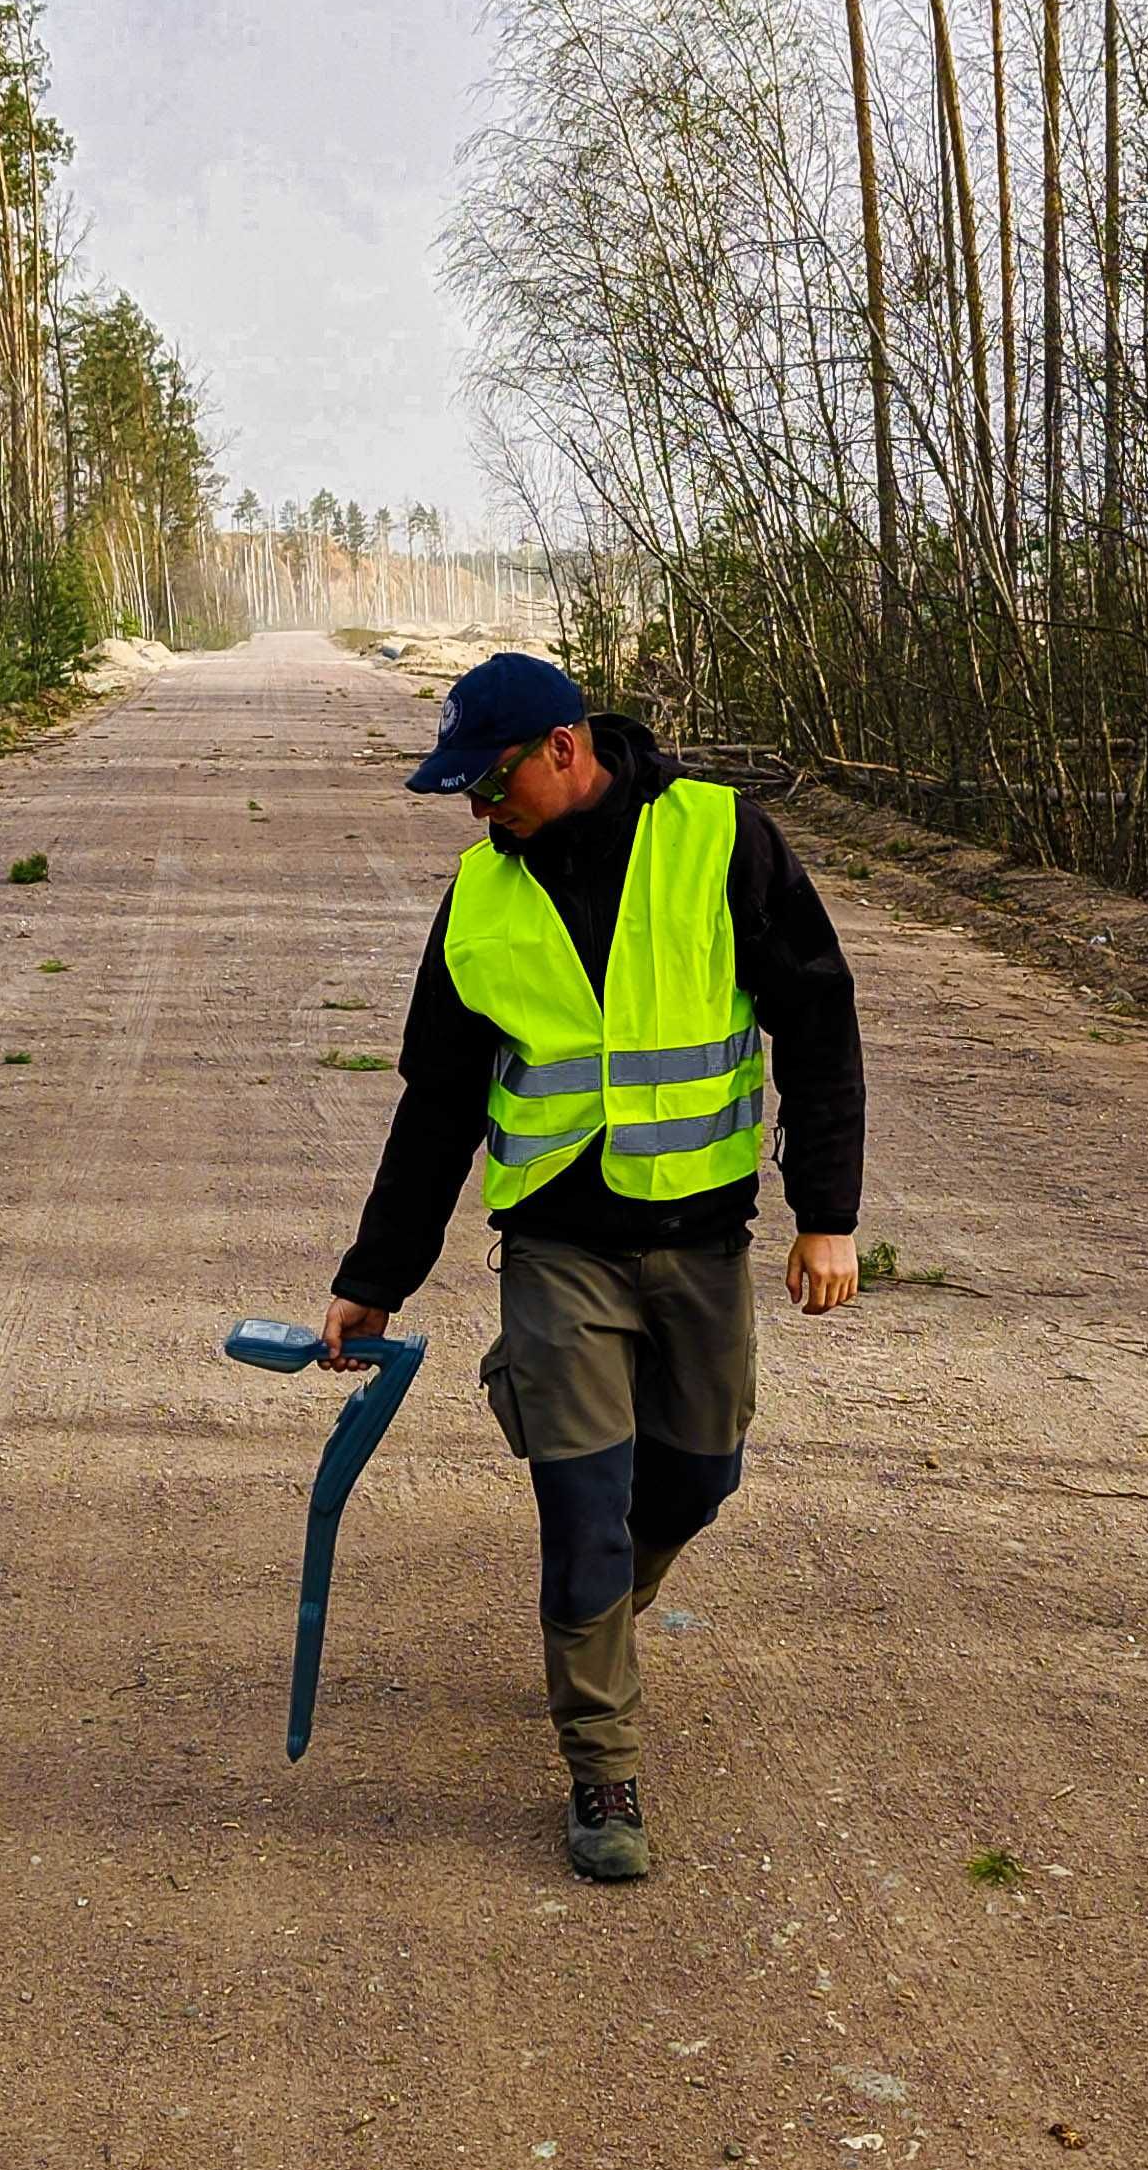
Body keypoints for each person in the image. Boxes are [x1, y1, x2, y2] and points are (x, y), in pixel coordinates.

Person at [321, 652, 863, 1882]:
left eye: (492, 780)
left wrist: (825, 1215)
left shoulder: (722, 837)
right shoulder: (481, 897)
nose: (477, 809)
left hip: (702, 1244)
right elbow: (438, 1105)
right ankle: (601, 1768)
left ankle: (597, 1625)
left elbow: (818, 1022)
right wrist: (377, 1274)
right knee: (581, 1509)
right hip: (557, 1250)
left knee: (697, 1477)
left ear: (565, 747)